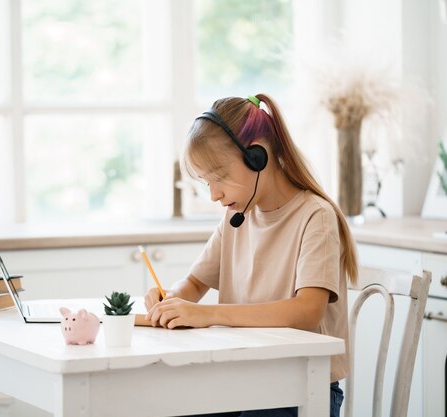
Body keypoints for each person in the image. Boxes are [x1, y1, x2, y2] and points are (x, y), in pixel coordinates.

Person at [143, 94, 358, 417]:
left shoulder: (315, 216)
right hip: (242, 378)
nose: (214, 194)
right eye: (206, 183)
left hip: (301, 386)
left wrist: (208, 314)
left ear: (257, 156)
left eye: (219, 178)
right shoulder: (236, 217)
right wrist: (172, 299)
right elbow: (194, 282)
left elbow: (307, 312)